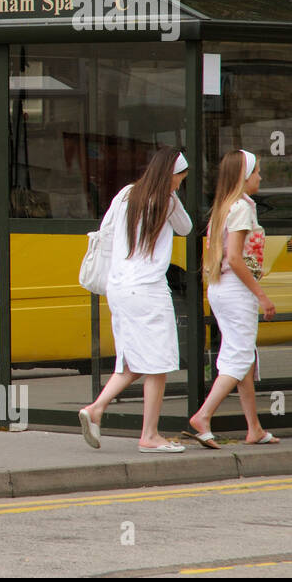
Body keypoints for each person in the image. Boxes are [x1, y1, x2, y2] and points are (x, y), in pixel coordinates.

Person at [78, 147, 192, 453]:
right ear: (171, 174)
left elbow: (107, 232)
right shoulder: (167, 201)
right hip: (148, 290)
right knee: (159, 363)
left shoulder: (126, 194)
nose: (181, 183)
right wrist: (171, 193)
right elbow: (187, 228)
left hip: (119, 288)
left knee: (133, 358)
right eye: (181, 177)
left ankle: (96, 408)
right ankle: (150, 435)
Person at [187, 150, 279, 448]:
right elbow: (236, 259)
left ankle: (254, 428)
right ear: (244, 176)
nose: (260, 178)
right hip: (236, 289)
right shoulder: (241, 208)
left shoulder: (224, 206)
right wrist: (262, 296)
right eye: (257, 173)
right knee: (239, 357)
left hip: (221, 287)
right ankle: (203, 415)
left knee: (242, 357)